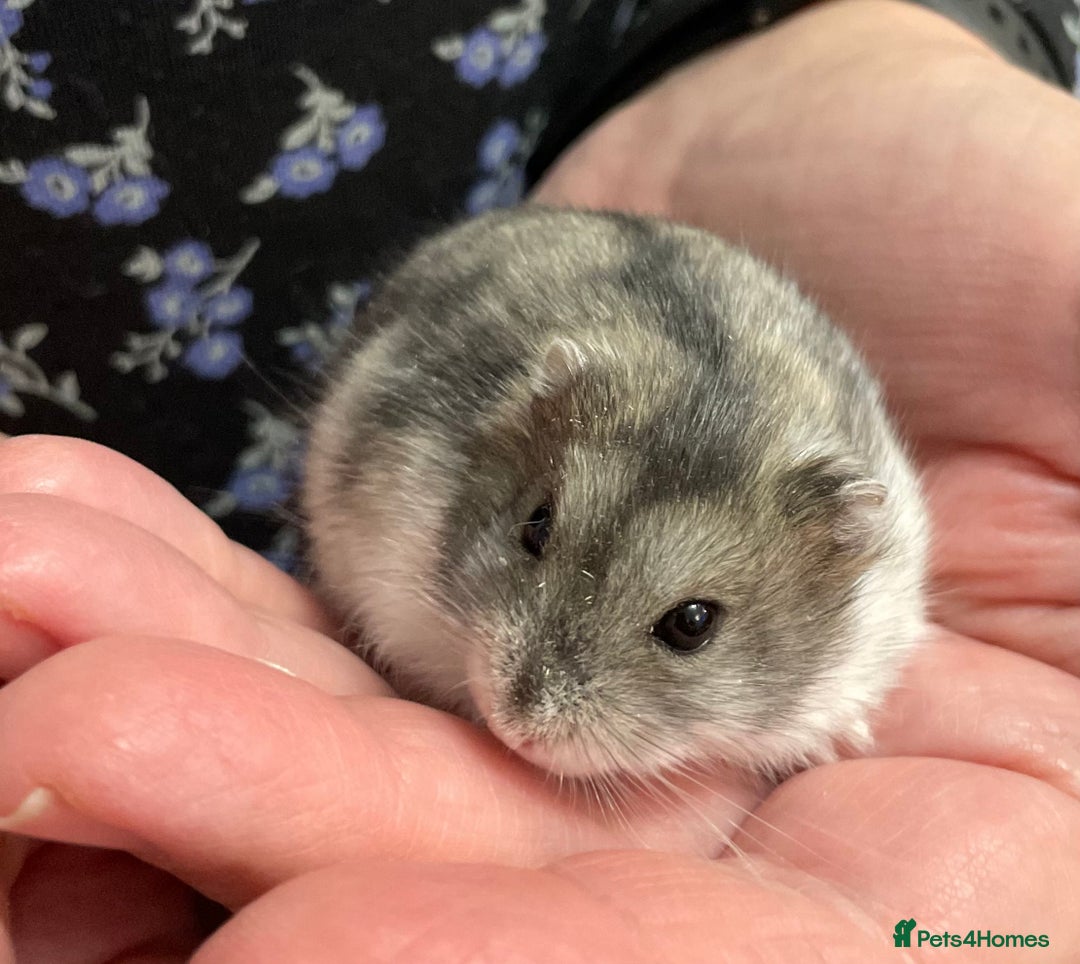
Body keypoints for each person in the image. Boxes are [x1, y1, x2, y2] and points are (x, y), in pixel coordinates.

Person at [3, 0, 1080, 958]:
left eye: (686, 623)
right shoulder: (516, 429)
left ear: (836, 565)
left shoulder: (849, 539)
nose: (528, 700)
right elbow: (379, 436)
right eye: (533, 533)